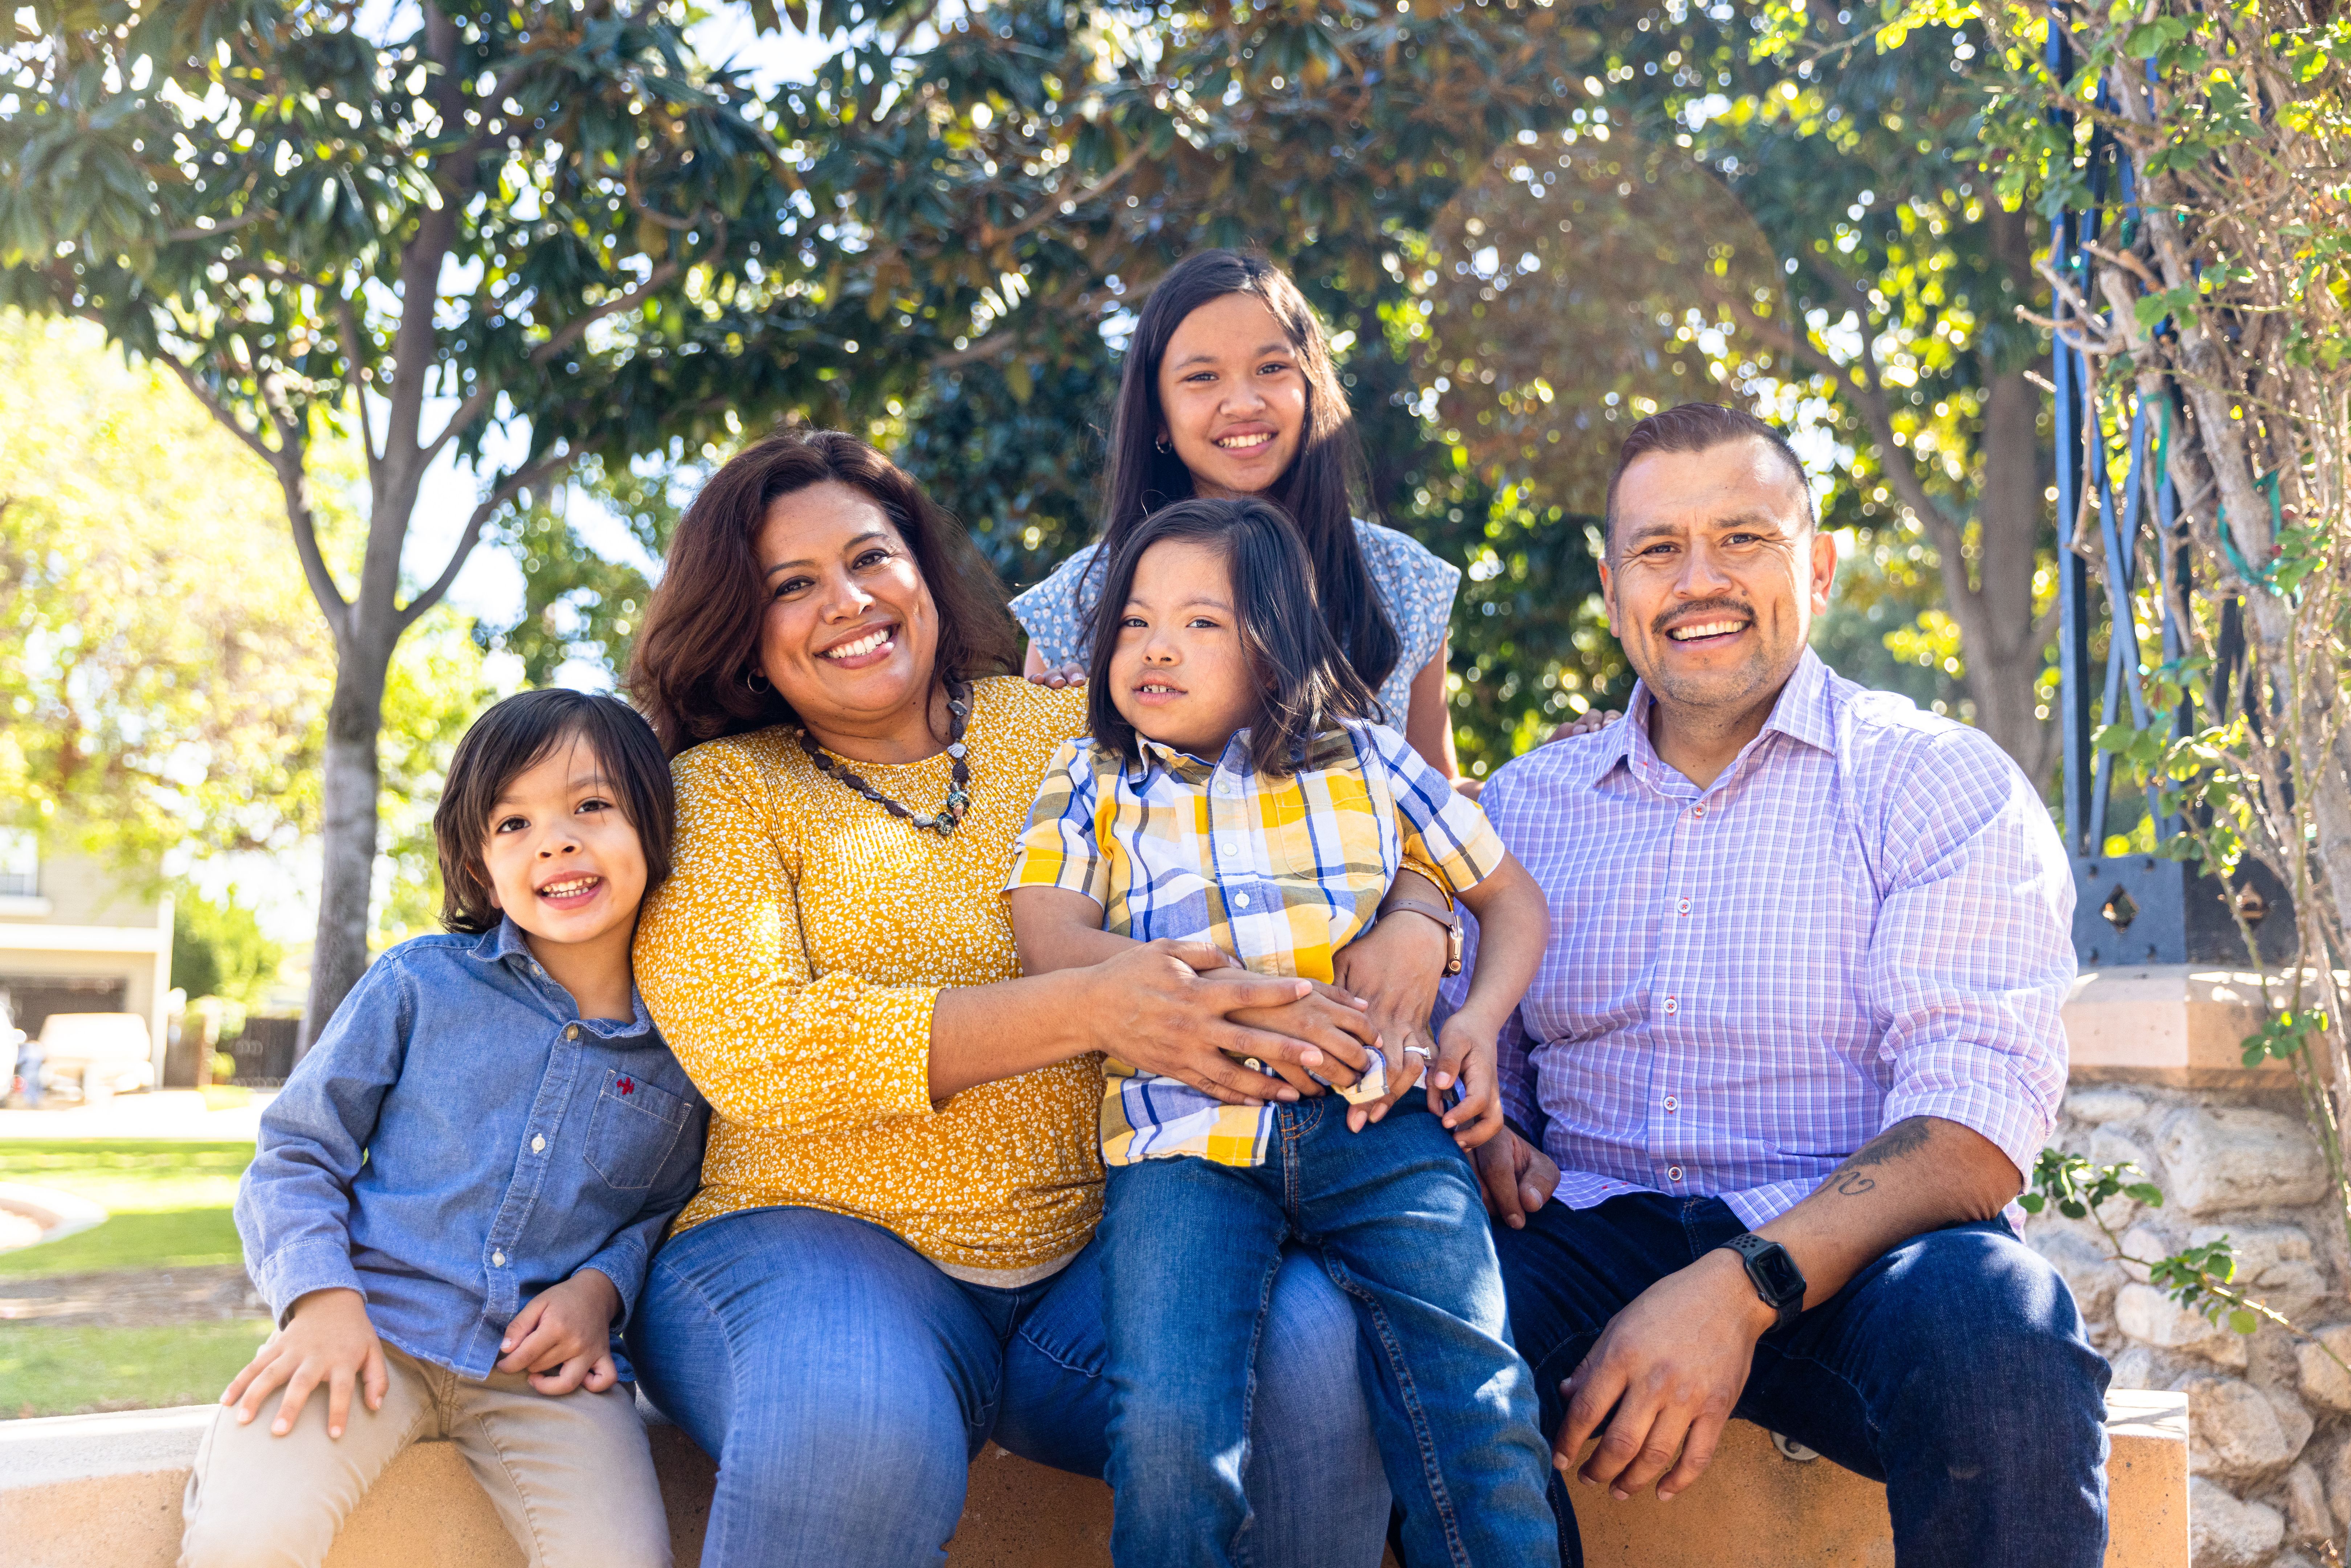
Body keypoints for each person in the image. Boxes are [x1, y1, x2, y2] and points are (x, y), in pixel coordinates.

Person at [623, 430, 1437, 1568]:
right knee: (853, 1422)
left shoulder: (1066, 728)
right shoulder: (717, 792)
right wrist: (1096, 1007)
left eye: (871, 558)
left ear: (921, 566)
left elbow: (1317, 801)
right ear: (741, 631)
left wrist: (1417, 911)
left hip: (1102, 1249)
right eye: (790, 586)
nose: (848, 602)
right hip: (817, 1242)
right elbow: (758, 1045)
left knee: (1304, 1353)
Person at [1453, 403, 2106, 1567]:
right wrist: (1479, 1133)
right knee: (1404, 1331)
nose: (1697, 579)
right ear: (1612, 588)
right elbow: (1476, 1080)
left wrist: (1737, 1286)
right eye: (1658, 549)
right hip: (1583, 1237)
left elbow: (1971, 1134)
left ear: (1817, 563)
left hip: (1855, 1265)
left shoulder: (1934, 784)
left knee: (2001, 1328)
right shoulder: (1521, 811)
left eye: (1741, 539)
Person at [1007, 497, 1557, 1567]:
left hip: (1382, 1124)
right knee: (1171, 1432)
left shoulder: (1370, 761)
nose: (1156, 645)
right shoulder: (1090, 779)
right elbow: (1046, 936)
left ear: (1276, 649)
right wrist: (1222, 997)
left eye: (1202, 622)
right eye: (1133, 622)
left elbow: (1510, 901)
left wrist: (1477, 1023)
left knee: (1478, 1402)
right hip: (1181, 1145)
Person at [183, 690, 706, 1568]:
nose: (556, 840)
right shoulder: (417, 986)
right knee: (250, 1537)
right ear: (478, 864)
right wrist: (319, 1300)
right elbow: (297, 1152)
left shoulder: (691, 1044)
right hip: (364, 1333)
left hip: (546, 1380)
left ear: (654, 829)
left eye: (591, 805)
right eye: (514, 822)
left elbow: (670, 1210)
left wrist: (599, 1292)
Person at [1011, 249, 1463, 779]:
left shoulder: (1401, 579)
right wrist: (1051, 720)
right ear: (1157, 415)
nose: (1244, 402)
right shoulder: (1081, 600)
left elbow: (1443, 791)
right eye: (1203, 377)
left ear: (1311, 387)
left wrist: (1566, 763)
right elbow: (1036, 813)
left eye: (1271, 368)